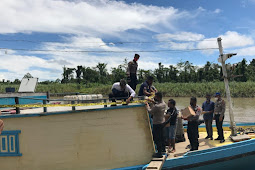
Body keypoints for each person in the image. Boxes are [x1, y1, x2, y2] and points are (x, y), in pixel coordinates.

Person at [145, 92, 166, 158]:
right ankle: (163, 150)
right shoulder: (163, 103)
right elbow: (157, 103)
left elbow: (150, 111)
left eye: (155, 97)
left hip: (157, 123)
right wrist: (151, 101)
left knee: (157, 138)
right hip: (162, 122)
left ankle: (159, 153)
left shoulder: (157, 106)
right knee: (162, 137)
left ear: (158, 97)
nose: (155, 98)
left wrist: (147, 105)